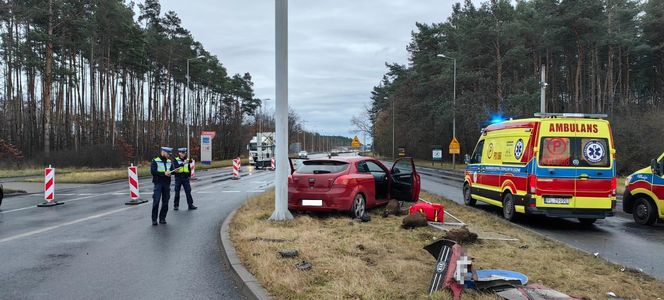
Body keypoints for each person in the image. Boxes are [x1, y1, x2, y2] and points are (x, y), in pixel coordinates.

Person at [151, 147, 174, 225]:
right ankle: (154, 219)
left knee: (165, 202)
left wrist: (174, 171)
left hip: (166, 183)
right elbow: (153, 171)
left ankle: (162, 218)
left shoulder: (169, 161)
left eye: (169, 154)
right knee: (156, 201)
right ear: (163, 152)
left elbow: (172, 170)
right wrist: (164, 173)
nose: (168, 156)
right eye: (168, 154)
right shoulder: (155, 160)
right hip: (158, 183)